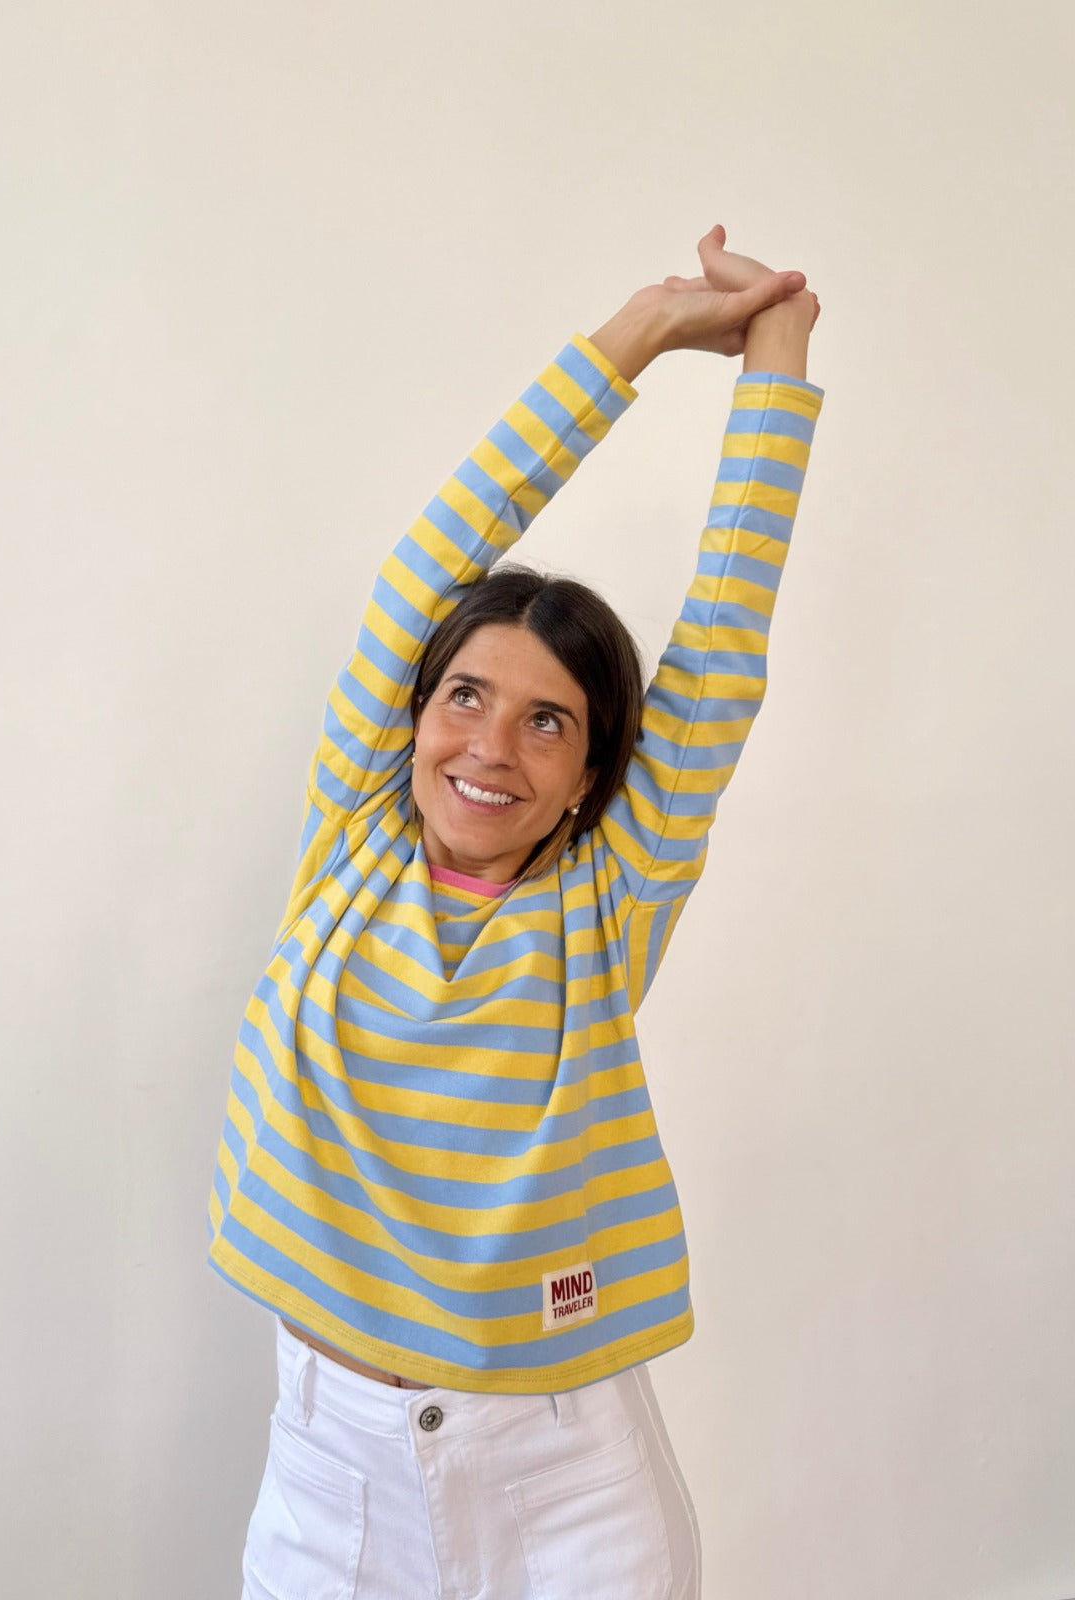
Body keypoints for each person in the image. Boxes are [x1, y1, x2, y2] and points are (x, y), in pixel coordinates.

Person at [209, 225, 823, 1600]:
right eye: (467, 696)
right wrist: (642, 330)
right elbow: (423, 569)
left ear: (592, 774)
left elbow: (723, 644)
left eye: (549, 721)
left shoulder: (606, 899)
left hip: (562, 1482)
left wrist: (776, 357)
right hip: (328, 1474)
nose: (491, 745)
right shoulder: (352, 841)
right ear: (415, 714)